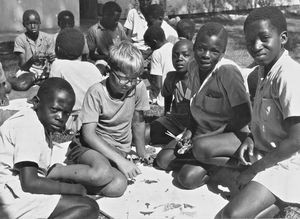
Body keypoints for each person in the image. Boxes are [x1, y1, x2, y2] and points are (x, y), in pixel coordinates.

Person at [216, 7, 300, 218]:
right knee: (205, 150)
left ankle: (281, 202)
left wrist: (254, 170)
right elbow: (269, 118)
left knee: (231, 215)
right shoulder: (265, 69)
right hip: (267, 152)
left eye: (264, 38)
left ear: (282, 38)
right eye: (250, 40)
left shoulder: (289, 75)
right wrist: (252, 137)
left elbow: (296, 141)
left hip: (289, 163)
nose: (256, 46)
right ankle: (268, 198)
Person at [46, 41, 151, 197]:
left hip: (118, 150)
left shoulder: (138, 87)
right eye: (123, 79)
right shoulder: (96, 92)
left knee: (118, 186)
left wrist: (142, 152)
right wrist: (120, 161)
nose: (128, 84)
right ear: (109, 70)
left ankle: (79, 181)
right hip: (89, 147)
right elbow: (89, 135)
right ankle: (58, 171)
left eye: (134, 79)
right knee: (101, 173)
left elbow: (138, 121)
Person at [155, 22, 251, 190]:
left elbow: (244, 116)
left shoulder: (227, 72)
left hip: (227, 135)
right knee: (163, 159)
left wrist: (206, 138)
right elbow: (195, 103)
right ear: (194, 46)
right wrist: (190, 131)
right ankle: (202, 159)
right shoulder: (192, 66)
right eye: (201, 48)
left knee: (187, 178)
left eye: (214, 51)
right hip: (201, 132)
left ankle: (230, 166)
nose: (206, 55)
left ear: (223, 53)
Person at [0, 77, 99, 219]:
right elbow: (30, 182)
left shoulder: (36, 121)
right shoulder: (29, 125)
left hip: (12, 191)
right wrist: (73, 189)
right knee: (88, 207)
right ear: (36, 102)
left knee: (81, 203)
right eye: (54, 109)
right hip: (9, 198)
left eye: (66, 113)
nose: (60, 117)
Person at [50, 28, 104, 133]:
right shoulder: (91, 67)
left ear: (58, 49)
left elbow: (52, 94)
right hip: (95, 119)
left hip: (70, 120)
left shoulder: (58, 65)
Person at [150, 39, 194, 144]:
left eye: (185, 55)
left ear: (194, 57)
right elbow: (168, 96)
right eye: (175, 56)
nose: (179, 59)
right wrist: (166, 115)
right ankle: (174, 140)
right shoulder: (171, 77)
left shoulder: (198, 79)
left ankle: (176, 142)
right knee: (152, 130)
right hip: (176, 120)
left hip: (193, 124)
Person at [10, 9, 55, 91]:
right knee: (22, 85)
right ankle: (9, 81)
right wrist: (32, 60)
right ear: (24, 24)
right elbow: (23, 66)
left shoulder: (48, 38)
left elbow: (51, 63)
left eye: (35, 23)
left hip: (45, 72)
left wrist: (51, 59)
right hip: (28, 71)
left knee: (59, 82)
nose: (33, 26)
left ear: (40, 23)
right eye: (29, 24)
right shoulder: (20, 39)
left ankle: (38, 80)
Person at [144, 25, 175, 107]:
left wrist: (146, 74)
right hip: (175, 97)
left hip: (162, 98)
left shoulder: (157, 53)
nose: (150, 48)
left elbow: (158, 85)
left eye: (150, 45)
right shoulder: (174, 47)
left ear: (154, 42)